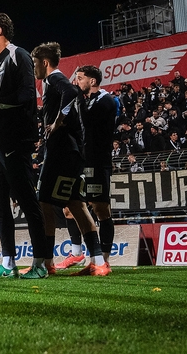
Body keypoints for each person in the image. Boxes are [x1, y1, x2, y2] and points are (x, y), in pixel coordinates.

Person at [0, 12, 48, 279]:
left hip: (15, 142)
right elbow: (5, 103)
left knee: (27, 201)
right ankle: (8, 263)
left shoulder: (20, 55)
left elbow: (27, 94)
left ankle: (40, 263)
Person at [32, 45, 108, 277]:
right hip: (73, 152)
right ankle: (98, 262)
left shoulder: (55, 78)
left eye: (34, 62)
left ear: (44, 62)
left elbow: (72, 93)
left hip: (62, 152)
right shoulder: (52, 82)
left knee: (44, 202)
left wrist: (57, 121)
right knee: (76, 203)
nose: (33, 67)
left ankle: (46, 263)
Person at [75, 64, 117, 274]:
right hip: (83, 162)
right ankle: (88, 254)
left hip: (98, 162)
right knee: (72, 207)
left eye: (80, 78)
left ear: (92, 81)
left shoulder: (106, 101)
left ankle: (104, 259)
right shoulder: (89, 101)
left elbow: (89, 123)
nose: (77, 82)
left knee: (101, 209)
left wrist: (79, 102)